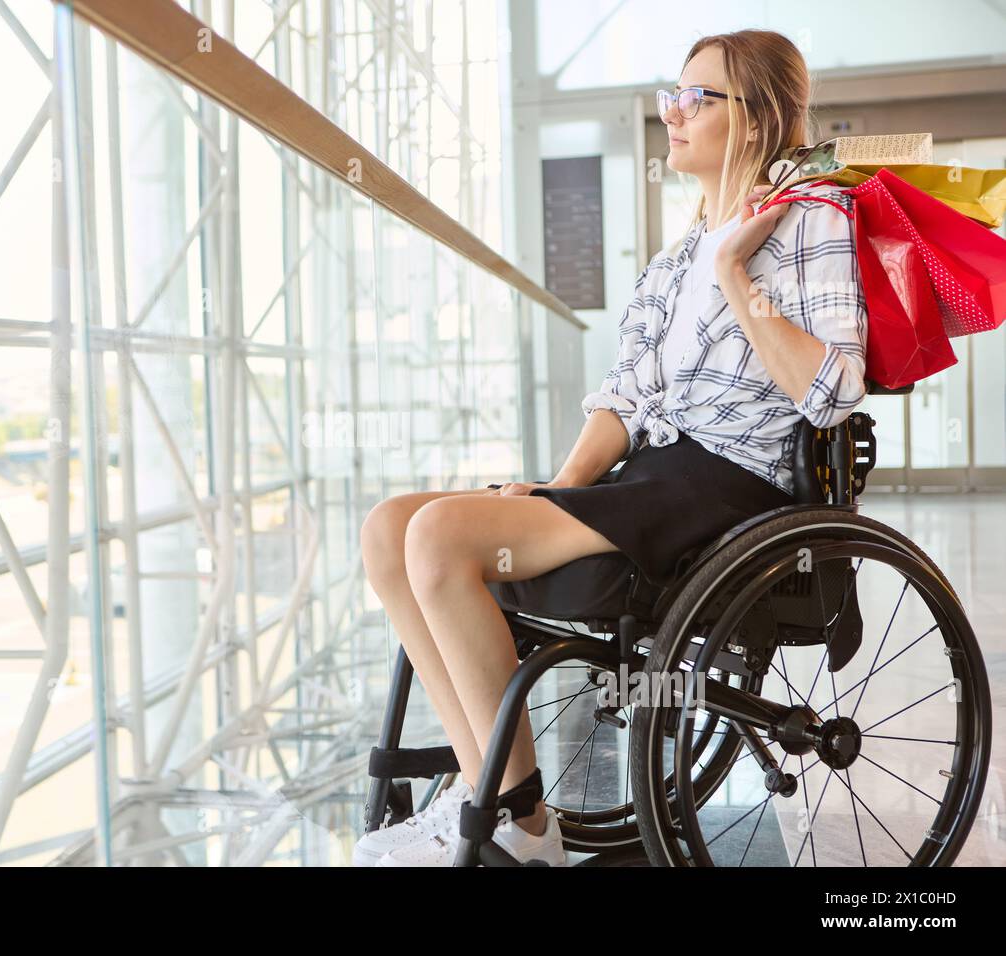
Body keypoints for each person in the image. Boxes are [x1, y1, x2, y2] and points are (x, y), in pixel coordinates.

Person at [352, 29, 868, 867]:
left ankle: (521, 824)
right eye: (673, 94)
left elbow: (833, 391)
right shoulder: (673, 260)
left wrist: (741, 275)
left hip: (732, 482)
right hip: (650, 476)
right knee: (390, 527)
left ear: (760, 118)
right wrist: (554, 491)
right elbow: (626, 397)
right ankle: (483, 792)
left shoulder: (813, 222)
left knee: (437, 537)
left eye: (696, 98)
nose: (674, 112)